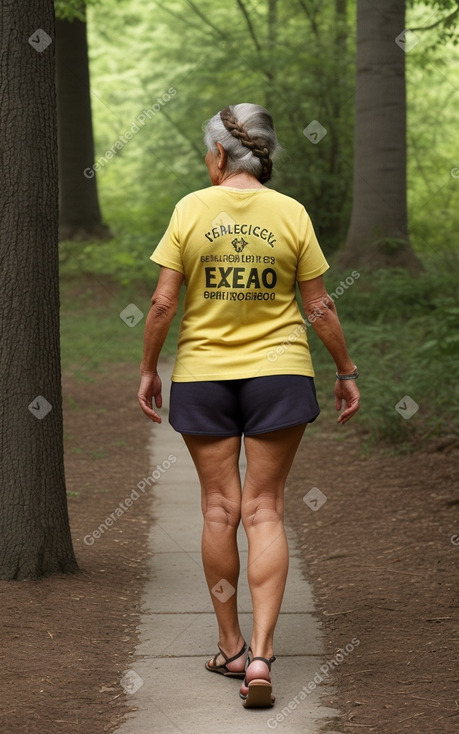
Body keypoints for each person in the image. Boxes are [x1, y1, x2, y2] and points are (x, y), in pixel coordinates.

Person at [138, 103, 360, 709]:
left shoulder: (190, 209)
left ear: (217, 155)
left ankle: (230, 646)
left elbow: (161, 305)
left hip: (204, 377)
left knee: (219, 509)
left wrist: (147, 370)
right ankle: (263, 655)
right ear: (263, 153)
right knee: (265, 510)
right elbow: (319, 307)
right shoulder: (291, 213)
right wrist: (345, 369)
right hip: (279, 376)